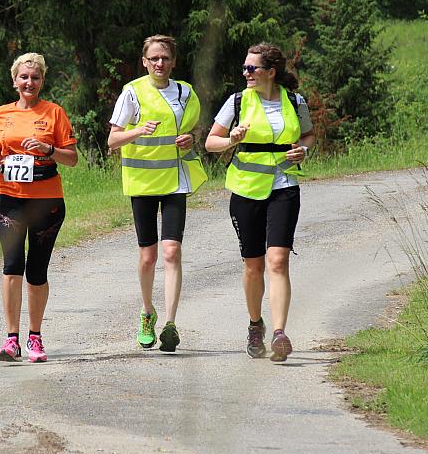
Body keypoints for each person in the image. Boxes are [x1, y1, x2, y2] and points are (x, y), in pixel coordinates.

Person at [204, 42, 314, 361]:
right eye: (244, 68)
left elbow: (308, 135)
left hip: (284, 187)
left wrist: (304, 151)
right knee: (254, 266)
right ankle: (256, 325)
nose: (246, 73)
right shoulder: (238, 101)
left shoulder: (295, 101)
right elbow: (210, 142)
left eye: (251, 68)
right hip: (246, 190)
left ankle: (280, 333)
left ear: (271, 72)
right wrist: (231, 139)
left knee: (277, 260)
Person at [108, 35, 207, 353]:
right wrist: (138, 130)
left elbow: (195, 129)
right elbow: (113, 140)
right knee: (148, 256)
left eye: (165, 58)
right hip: (142, 183)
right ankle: (147, 312)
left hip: (175, 180)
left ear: (173, 62)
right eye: (154, 59)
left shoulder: (185, 93)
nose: (160, 63)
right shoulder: (132, 92)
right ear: (144, 62)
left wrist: (191, 138)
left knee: (172, 252)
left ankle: (171, 324)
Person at [0, 52, 78, 363]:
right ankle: (11, 339)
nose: (29, 82)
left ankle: (35, 337)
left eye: (35, 77)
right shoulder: (2, 113)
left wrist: (48, 149)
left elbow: (72, 158)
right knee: (12, 265)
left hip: (46, 201)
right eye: (24, 77)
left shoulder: (54, 113)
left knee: (37, 270)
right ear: (14, 80)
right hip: (8, 197)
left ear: (42, 81)